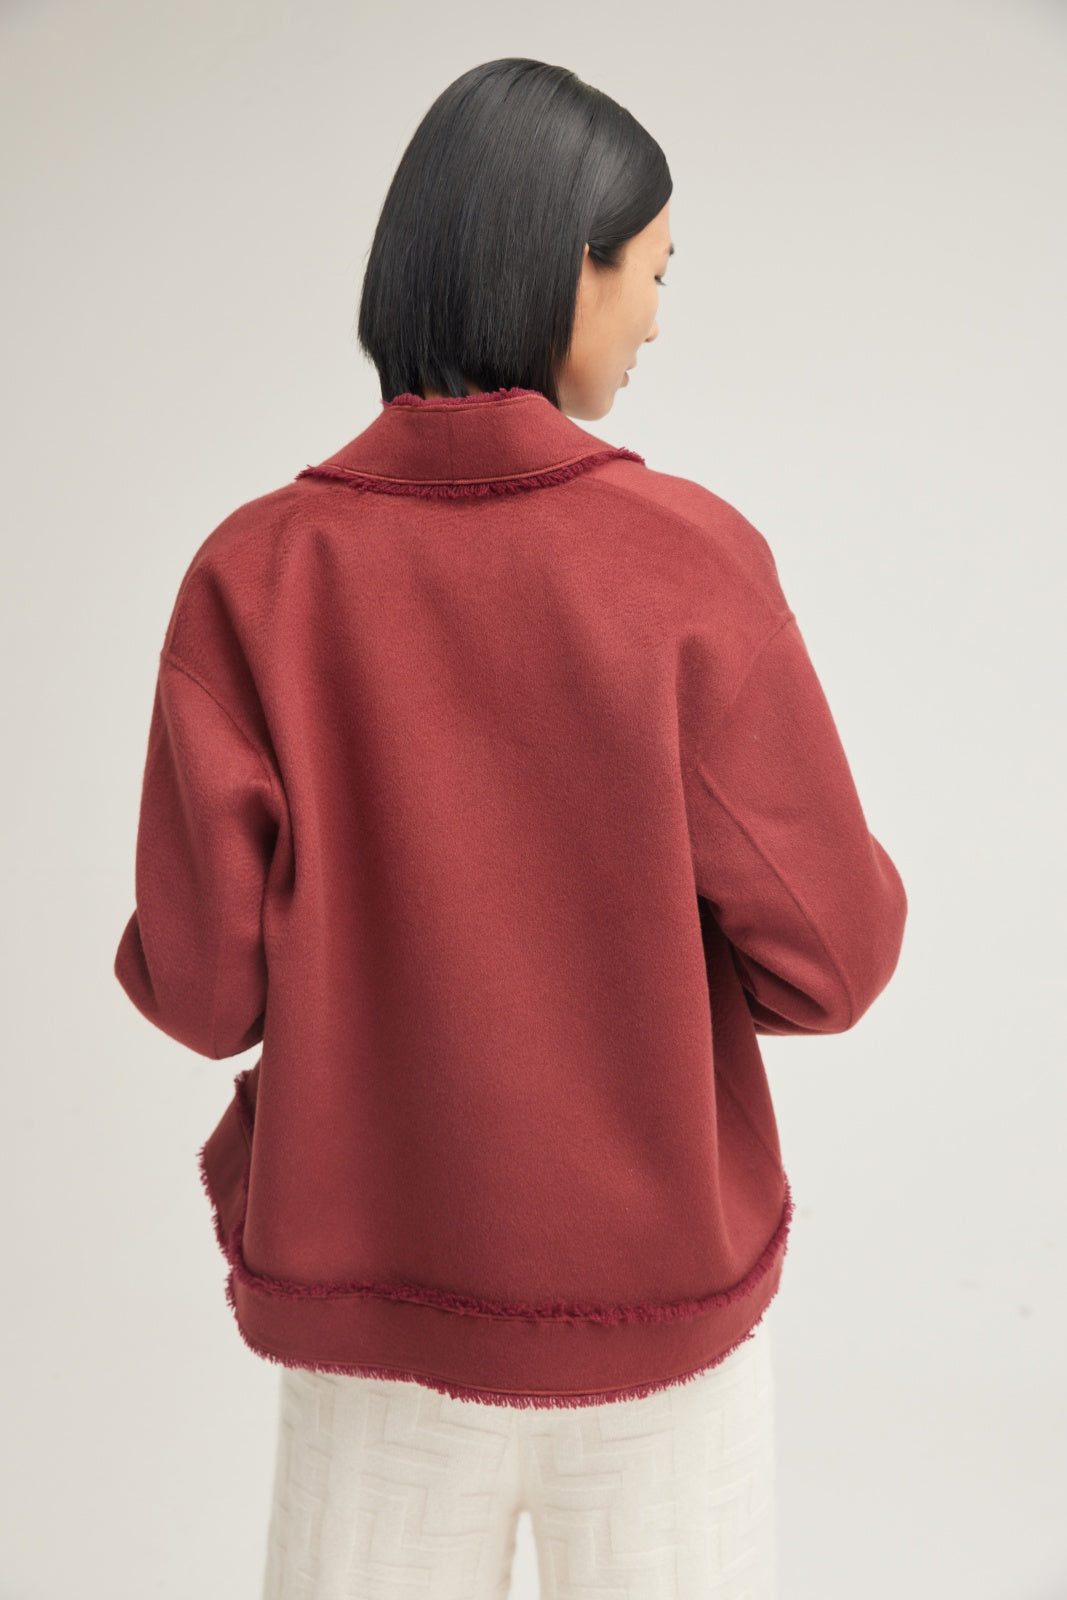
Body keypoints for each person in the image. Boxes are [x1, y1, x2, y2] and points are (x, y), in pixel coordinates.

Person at [113, 56, 908, 1600]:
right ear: (571, 266)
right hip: (657, 1342)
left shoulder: (254, 578)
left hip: (373, 1331)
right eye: (654, 272)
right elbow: (834, 957)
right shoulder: (688, 564)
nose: (658, 319)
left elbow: (202, 994)